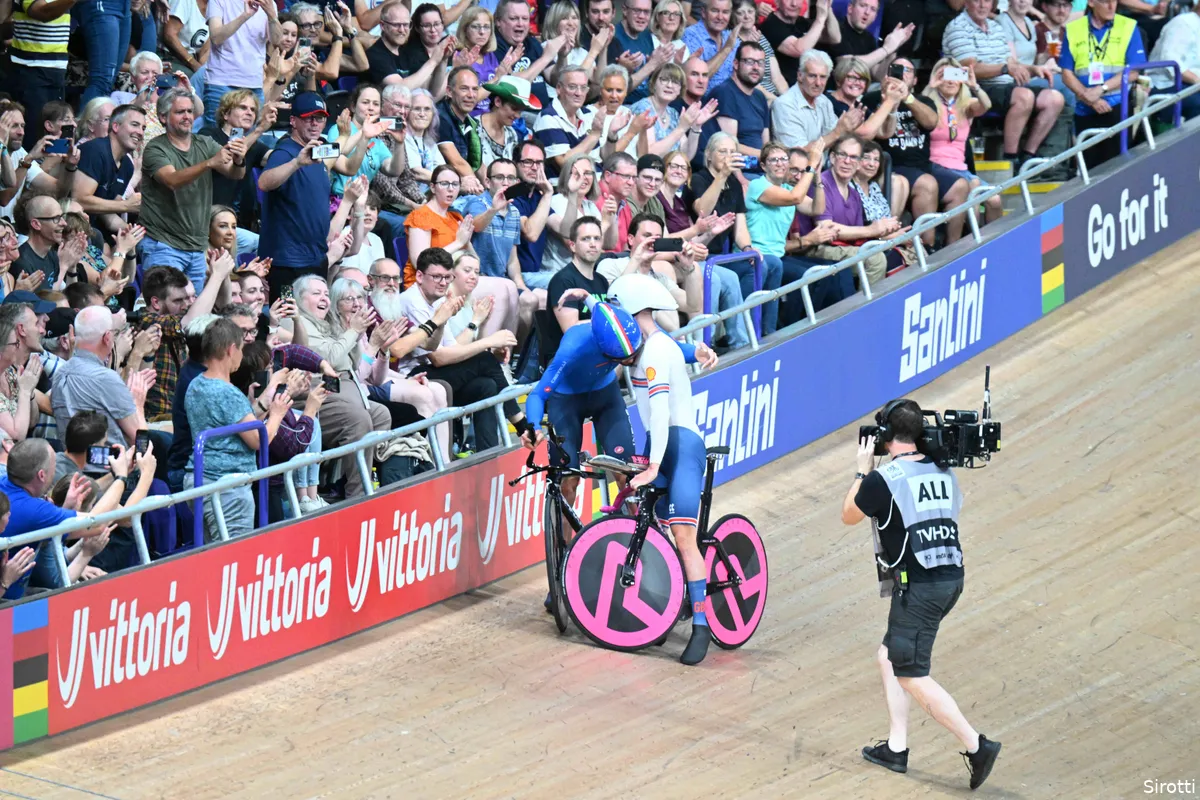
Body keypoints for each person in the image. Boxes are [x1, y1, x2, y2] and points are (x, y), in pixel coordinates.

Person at [842, 398, 1002, 790]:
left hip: (922, 585)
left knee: (911, 673)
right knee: (888, 656)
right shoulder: (944, 471)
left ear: (885, 436)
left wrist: (863, 472)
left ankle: (976, 745)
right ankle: (896, 748)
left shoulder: (885, 479)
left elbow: (848, 514)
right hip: (950, 577)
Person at [608, 272, 719, 666]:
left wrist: (653, 465)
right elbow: (681, 351)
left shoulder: (656, 350)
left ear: (634, 312)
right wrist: (699, 350)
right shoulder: (653, 345)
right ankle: (678, 598)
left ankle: (702, 624)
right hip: (662, 446)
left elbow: (658, 409)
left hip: (679, 448)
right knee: (650, 523)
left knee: (685, 537)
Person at [394, 247, 526, 454]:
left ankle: (487, 454)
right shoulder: (413, 302)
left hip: (434, 374)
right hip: (410, 377)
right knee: (484, 359)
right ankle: (522, 426)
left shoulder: (439, 302)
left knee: (487, 385)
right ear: (419, 276)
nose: (443, 282)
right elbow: (439, 358)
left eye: (447, 277)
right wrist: (487, 342)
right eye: (437, 276)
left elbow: (453, 347)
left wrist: (487, 342)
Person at [1059, 0, 1147, 168]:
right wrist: (1089, 98)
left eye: (1114, 1)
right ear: (1091, 2)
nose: (1111, 6)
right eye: (1106, 1)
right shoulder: (1074, 29)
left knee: (1115, 165)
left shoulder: (1128, 26)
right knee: (1088, 167)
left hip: (1117, 104)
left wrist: (1101, 90)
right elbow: (1066, 74)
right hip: (1084, 106)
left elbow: (1134, 71)